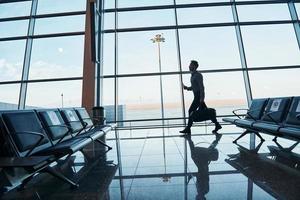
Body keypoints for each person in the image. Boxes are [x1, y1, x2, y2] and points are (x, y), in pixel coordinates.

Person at [180, 60, 222, 135]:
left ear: (195, 66)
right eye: (189, 65)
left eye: (191, 65)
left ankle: (188, 128)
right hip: (196, 96)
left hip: (198, 96)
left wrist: (202, 99)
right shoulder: (193, 75)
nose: (189, 66)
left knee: (190, 111)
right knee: (208, 112)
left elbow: (201, 87)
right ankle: (217, 125)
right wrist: (187, 88)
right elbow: (194, 87)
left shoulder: (198, 75)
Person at [186, 134, 222, 200]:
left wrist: (193, 176)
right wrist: (193, 176)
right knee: (194, 155)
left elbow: (201, 178)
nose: (196, 198)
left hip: (202, 164)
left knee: (205, 152)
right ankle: (189, 140)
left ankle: (217, 139)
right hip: (202, 165)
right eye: (197, 199)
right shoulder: (203, 190)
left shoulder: (202, 191)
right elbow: (203, 178)